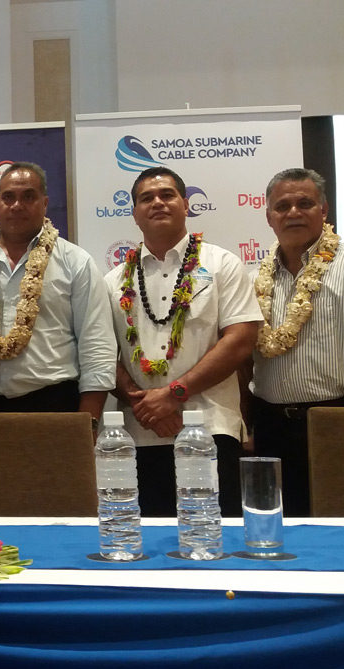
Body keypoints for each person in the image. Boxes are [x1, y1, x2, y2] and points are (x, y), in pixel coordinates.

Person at [249, 167, 344, 516]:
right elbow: (246, 357)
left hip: (338, 419)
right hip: (271, 426)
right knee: (277, 529)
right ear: (269, 216)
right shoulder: (254, 278)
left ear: (324, 210)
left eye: (304, 203)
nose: (293, 212)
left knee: (340, 524)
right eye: (282, 206)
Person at [105, 168, 261, 517]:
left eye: (167, 195)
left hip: (210, 428)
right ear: (133, 212)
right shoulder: (114, 280)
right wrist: (144, 405)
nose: (157, 202)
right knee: (149, 547)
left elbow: (240, 341)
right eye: (146, 198)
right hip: (140, 432)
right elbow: (102, 351)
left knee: (215, 542)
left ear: (186, 204)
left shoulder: (222, 265)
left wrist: (174, 394)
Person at [0, 161, 115, 448]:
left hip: (54, 407)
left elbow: (97, 345)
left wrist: (88, 423)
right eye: (8, 197)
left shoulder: (75, 262)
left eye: (28, 196)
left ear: (44, 203)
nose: (17, 205)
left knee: (54, 494)